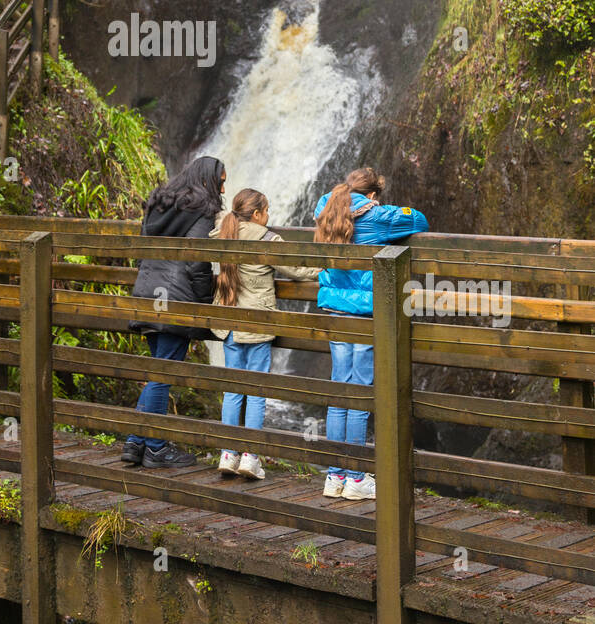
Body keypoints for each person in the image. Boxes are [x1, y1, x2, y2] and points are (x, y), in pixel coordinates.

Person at [313, 166, 428, 501]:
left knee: (341, 389)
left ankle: (335, 476)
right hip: (364, 312)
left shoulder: (326, 208)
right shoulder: (379, 216)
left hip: (335, 309)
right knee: (361, 391)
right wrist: (392, 207)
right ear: (373, 194)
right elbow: (418, 220)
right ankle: (357, 477)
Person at [121, 155, 226, 469]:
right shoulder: (203, 209)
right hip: (176, 300)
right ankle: (155, 447)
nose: (224, 186)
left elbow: (142, 251)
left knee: (157, 371)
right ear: (209, 179)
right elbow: (197, 261)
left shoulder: (159, 203)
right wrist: (205, 302)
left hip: (147, 292)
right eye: (222, 179)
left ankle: (136, 442)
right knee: (163, 374)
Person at [210, 188, 320, 481]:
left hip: (229, 322)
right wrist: (325, 270)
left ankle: (227, 454)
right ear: (257, 214)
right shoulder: (267, 239)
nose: (269, 216)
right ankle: (250, 457)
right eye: (266, 211)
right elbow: (296, 270)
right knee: (257, 391)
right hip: (257, 325)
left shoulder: (224, 233)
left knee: (233, 388)